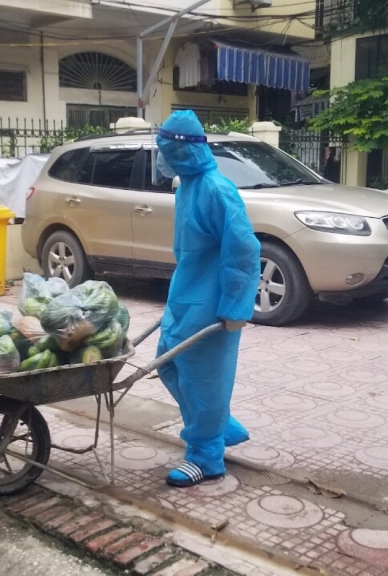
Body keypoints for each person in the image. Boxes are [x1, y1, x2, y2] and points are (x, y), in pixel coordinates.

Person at [153, 110, 261, 488]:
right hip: (186, 296)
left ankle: (206, 457)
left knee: (204, 380)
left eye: (164, 151)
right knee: (167, 364)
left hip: (214, 304)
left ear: (181, 151)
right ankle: (217, 424)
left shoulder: (217, 189)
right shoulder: (187, 186)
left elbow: (244, 249)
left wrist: (235, 307)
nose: (160, 159)